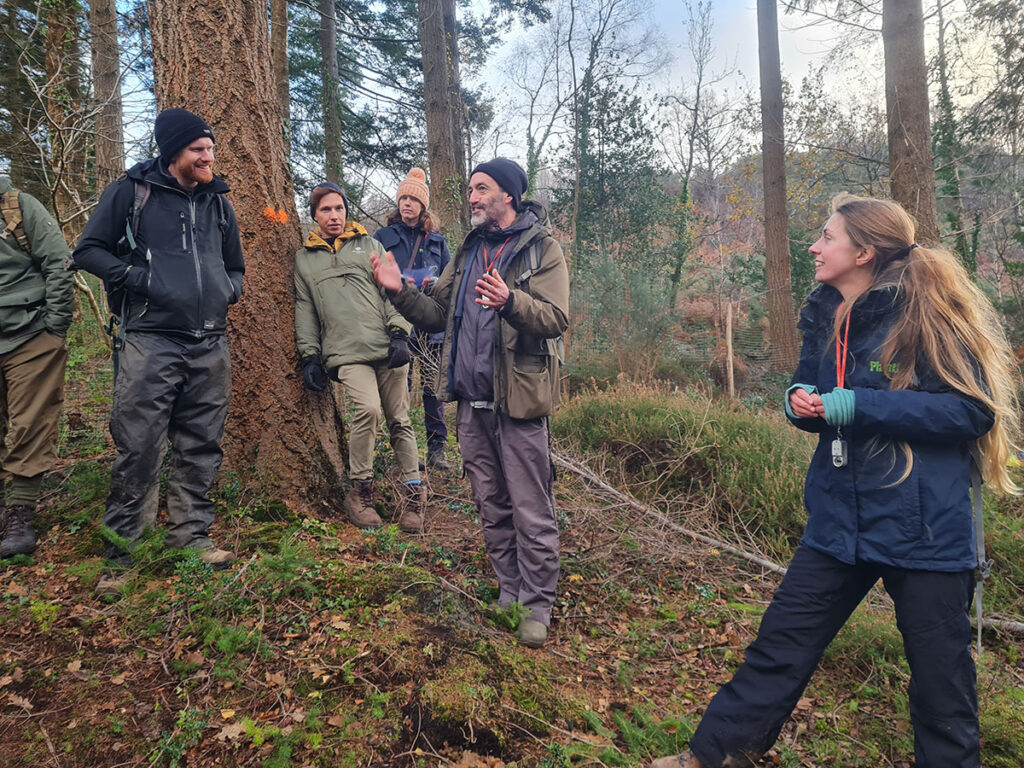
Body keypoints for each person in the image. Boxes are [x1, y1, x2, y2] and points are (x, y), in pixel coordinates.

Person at [651, 193, 1023, 768]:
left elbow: (970, 412)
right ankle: (711, 757)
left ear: (865, 252)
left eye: (827, 236)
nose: (814, 245)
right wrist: (800, 404)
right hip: (839, 519)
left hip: (924, 530)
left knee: (941, 688)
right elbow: (813, 390)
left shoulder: (927, 312)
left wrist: (854, 405)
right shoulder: (824, 311)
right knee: (779, 649)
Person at [371, 158, 569, 648]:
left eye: (481, 189)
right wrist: (397, 293)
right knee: (490, 502)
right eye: (470, 190)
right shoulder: (468, 251)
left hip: (518, 404)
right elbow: (436, 313)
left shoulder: (542, 249)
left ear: (509, 194)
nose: (473, 198)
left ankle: (537, 605)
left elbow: (556, 317)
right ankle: (509, 590)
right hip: (471, 403)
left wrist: (510, 301)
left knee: (530, 506)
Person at [72, 108, 245, 592]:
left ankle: (189, 538)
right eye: (198, 150)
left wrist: (226, 291)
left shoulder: (217, 202)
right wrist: (140, 280)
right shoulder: (133, 191)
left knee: (201, 444)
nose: (208, 157)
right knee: (139, 446)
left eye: (210, 149)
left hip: (209, 340)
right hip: (150, 340)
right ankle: (122, 554)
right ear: (175, 154)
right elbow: (87, 250)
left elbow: (235, 266)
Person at [294, 182, 426, 533]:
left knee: (400, 418)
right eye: (325, 210)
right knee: (367, 410)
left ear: (346, 210)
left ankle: (414, 496)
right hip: (345, 352)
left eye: (339, 208)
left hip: (387, 346)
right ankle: (361, 491)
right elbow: (305, 310)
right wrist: (310, 355)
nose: (334, 215)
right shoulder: (304, 260)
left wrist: (400, 332)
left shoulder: (370, 245)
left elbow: (392, 290)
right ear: (314, 216)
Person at [0, 177, 75, 557]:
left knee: (29, 423)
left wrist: (55, 325)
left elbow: (58, 260)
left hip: (30, 335)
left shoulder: (18, 206)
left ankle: (20, 511)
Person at [375, 168, 453, 471]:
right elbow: (376, 277)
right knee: (400, 389)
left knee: (434, 391)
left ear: (423, 206)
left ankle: (437, 450)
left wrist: (429, 285)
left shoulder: (437, 241)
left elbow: (448, 282)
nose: (407, 203)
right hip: (398, 324)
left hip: (431, 325)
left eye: (413, 199)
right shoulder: (383, 237)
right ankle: (404, 451)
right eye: (403, 198)